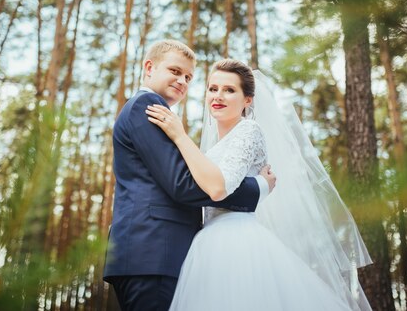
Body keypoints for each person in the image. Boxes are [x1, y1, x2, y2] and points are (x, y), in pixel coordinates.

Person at [146, 59, 373, 310]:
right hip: (208, 241)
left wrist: (179, 135)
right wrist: (261, 186)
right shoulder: (213, 147)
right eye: (213, 88)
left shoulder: (249, 131)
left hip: (237, 240)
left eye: (229, 90)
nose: (218, 96)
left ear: (247, 100)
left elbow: (220, 187)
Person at [103, 41, 276, 311]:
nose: (182, 80)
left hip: (161, 252)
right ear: (149, 67)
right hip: (154, 250)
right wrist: (258, 188)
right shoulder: (147, 105)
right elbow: (184, 185)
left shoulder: (161, 113)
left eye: (188, 77)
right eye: (175, 71)